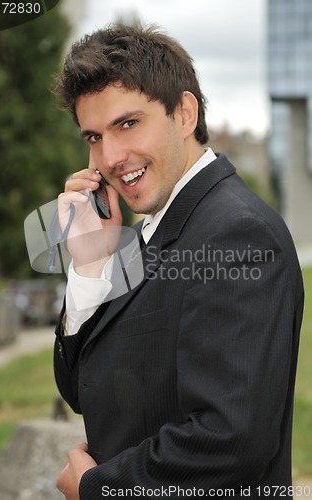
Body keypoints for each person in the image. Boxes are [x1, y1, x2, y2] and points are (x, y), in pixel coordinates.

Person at [53, 24, 304, 500]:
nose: (110, 156)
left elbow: (230, 439)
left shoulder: (236, 234)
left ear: (185, 113)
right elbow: (84, 388)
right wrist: (90, 266)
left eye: (128, 124)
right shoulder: (145, 234)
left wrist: (98, 488)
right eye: (93, 136)